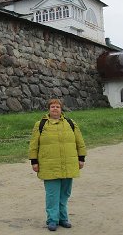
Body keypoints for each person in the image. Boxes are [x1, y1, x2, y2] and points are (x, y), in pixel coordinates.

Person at [29, 98, 87, 231]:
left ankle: (63, 218)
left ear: (61, 109)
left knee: (65, 194)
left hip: (68, 164)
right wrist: (34, 161)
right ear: (48, 109)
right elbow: (33, 145)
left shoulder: (71, 123)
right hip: (49, 166)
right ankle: (52, 220)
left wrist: (81, 158)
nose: (55, 109)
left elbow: (80, 142)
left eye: (57, 107)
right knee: (52, 194)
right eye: (52, 107)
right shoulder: (40, 124)